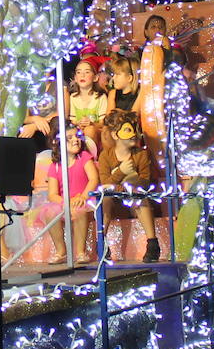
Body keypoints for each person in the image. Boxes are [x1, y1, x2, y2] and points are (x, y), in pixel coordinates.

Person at [97, 110, 160, 262]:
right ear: (115, 135)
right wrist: (121, 171)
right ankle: (102, 243)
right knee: (105, 200)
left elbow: (145, 180)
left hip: (134, 195)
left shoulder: (141, 154)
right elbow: (106, 184)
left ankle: (152, 244)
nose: (133, 134)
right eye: (127, 130)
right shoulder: (105, 156)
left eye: (134, 129)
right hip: (115, 197)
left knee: (141, 199)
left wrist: (131, 186)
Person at [35, 126, 101, 264]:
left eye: (77, 136)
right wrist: (66, 202)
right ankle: (61, 251)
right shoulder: (55, 166)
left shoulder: (84, 157)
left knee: (79, 211)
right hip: (65, 202)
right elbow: (52, 194)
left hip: (85, 199)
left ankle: (81, 252)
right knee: (49, 213)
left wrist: (83, 196)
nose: (75, 140)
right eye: (69, 138)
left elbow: (93, 179)